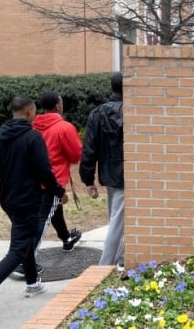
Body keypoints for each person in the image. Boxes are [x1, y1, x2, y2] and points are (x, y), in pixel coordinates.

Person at [0, 95, 66, 324]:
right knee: (18, 249)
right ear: (29, 111)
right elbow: (44, 172)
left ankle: (32, 283)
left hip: (8, 200)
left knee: (25, 239)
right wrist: (59, 192)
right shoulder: (32, 137)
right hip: (28, 201)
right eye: (35, 110)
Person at [11, 92, 84, 278]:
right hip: (53, 181)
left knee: (53, 210)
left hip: (31, 181)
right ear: (58, 106)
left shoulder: (32, 126)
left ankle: (67, 239)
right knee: (42, 220)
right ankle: (24, 261)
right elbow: (76, 155)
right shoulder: (64, 127)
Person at [80, 72, 124, 267]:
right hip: (130, 174)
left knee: (116, 218)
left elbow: (89, 149)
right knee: (117, 221)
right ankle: (105, 265)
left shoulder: (97, 114)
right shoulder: (134, 112)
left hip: (109, 174)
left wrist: (88, 179)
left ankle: (120, 259)